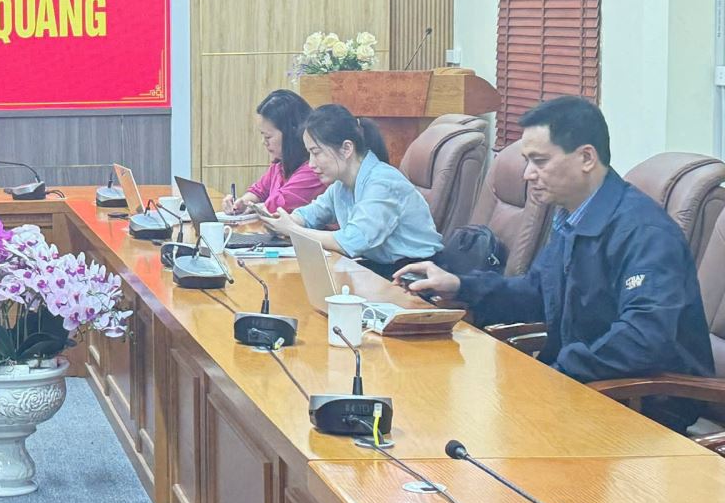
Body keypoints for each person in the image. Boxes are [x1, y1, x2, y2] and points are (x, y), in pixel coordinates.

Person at [395, 97, 712, 421]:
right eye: (527, 162)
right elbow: (537, 292)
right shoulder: (573, 216)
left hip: (639, 405)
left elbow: (643, 338)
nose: (528, 174)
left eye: (540, 161)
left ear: (586, 158)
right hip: (582, 386)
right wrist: (460, 285)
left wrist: (558, 372)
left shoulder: (645, 232)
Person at [259, 103, 442, 277]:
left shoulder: (383, 182)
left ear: (346, 148)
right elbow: (312, 214)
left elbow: (351, 242)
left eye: (316, 152)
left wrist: (292, 230)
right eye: (309, 154)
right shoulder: (341, 184)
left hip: (414, 275)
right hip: (379, 269)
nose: (311, 164)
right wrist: (283, 221)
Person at [223, 89, 326, 214]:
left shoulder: (314, 169)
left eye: (268, 136)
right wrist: (241, 202)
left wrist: (250, 206)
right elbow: (258, 191)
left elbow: (279, 205)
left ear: (291, 134)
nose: (264, 142)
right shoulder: (280, 165)